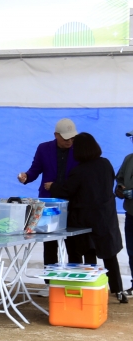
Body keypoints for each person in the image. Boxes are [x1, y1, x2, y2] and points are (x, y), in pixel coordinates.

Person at [46, 132, 127, 303]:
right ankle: (119, 290)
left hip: (84, 220)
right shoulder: (106, 164)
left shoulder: (79, 171)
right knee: (109, 255)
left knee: (82, 253)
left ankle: (84, 288)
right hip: (105, 217)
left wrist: (52, 186)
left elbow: (67, 190)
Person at [17, 119, 78, 266]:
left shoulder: (79, 149)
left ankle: (75, 274)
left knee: (74, 243)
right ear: (56, 135)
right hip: (49, 202)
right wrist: (26, 177)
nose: (69, 141)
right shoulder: (44, 148)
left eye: (72, 138)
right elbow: (35, 169)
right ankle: (49, 275)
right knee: (49, 242)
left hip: (73, 201)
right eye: (66, 138)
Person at [116, 128, 133, 295]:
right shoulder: (129, 159)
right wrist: (119, 190)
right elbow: (119, 179)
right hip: (131, 212)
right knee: (132, 250)